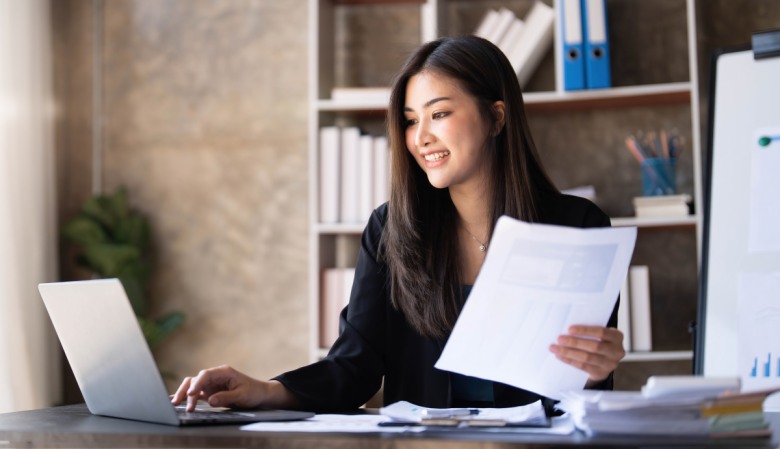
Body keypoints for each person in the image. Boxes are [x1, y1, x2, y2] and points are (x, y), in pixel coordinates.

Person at [171, 35, 625, 414]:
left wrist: (599, 370)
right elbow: (355, 367)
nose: (421, 136)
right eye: (410, 121)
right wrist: (265, 390)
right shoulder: (391, 230)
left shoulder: (578, 227)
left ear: (496, 116)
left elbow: (582, 388)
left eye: (440, 114)